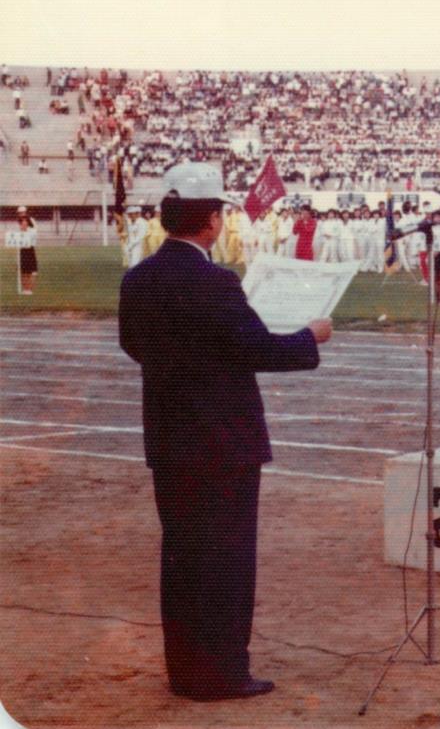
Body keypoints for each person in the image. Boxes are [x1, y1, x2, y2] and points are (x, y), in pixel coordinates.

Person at [118, 162, 332, 701]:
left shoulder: (138, 279)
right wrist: (310, 337)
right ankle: (222, 672)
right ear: (211, 221)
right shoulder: (216, 282)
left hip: (169, 440)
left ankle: (186, 670)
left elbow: (134, 345)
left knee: (182, 557)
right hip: (223, 444)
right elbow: (258, 350)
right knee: (227, 563)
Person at [15, 206, 37, 295]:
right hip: (29, 246)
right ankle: (28, 290)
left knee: (26, 270)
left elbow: (23, 231)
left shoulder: (25, 220)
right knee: (30, 270)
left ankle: (27, 290)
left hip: (26, 247)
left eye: (21, 213)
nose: (20, 215)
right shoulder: (31, 220)